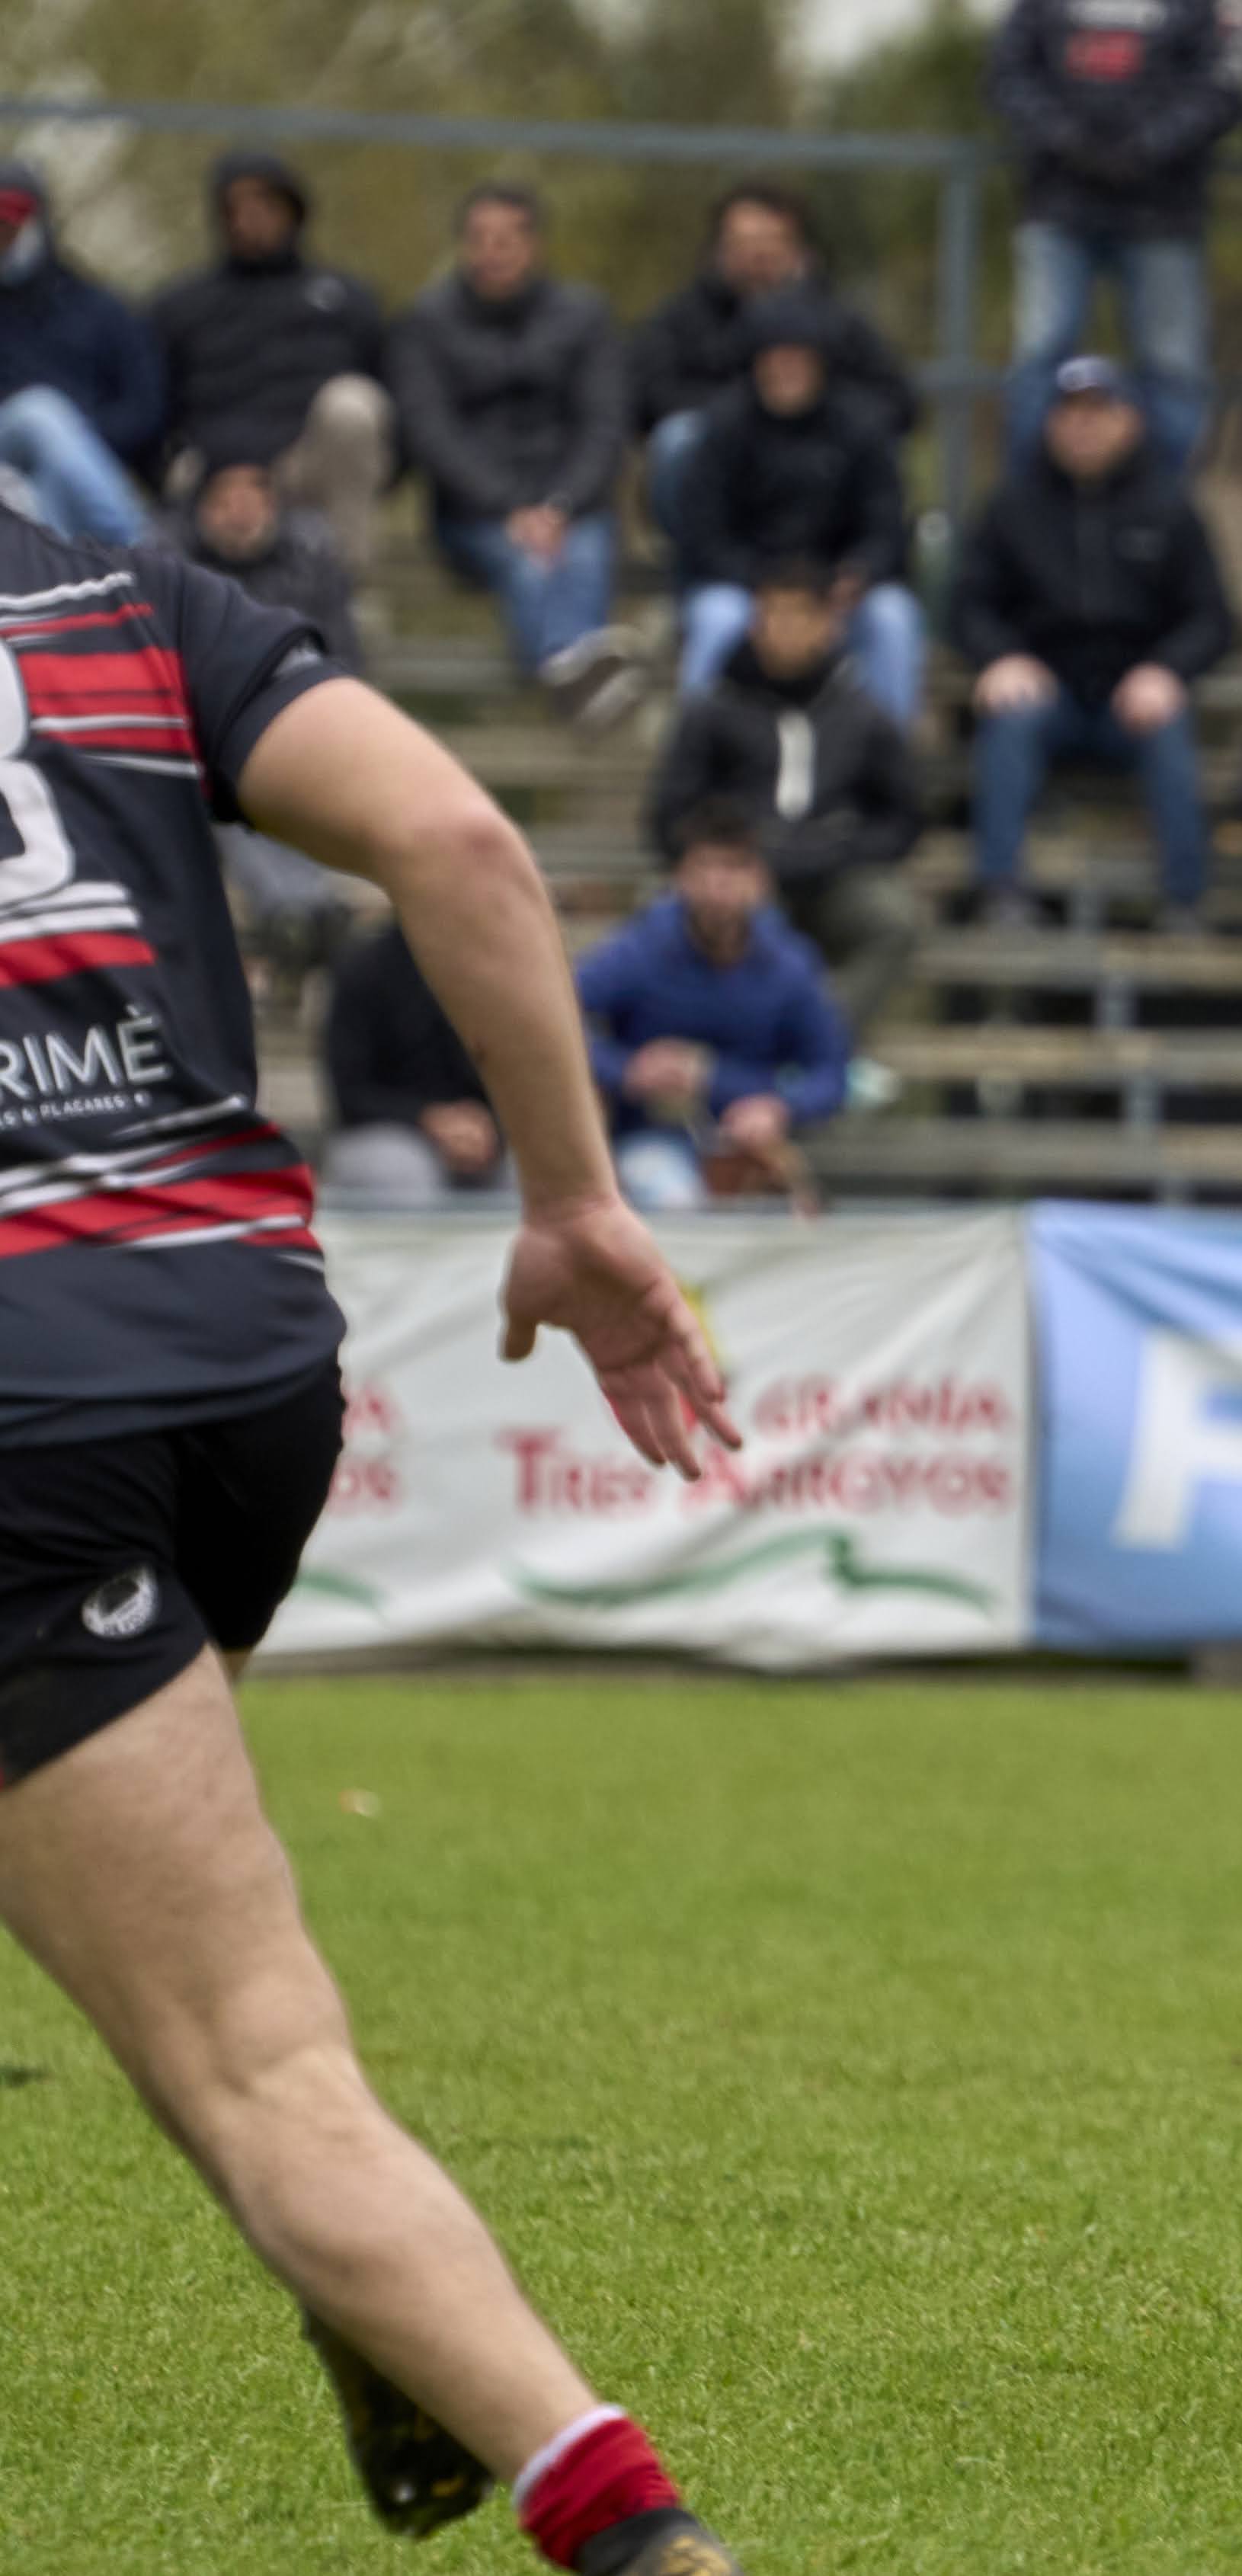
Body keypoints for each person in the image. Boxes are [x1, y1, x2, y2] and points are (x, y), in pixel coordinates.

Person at [0, 501, 741, 2572]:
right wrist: (579, 1199)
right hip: (245, 1358)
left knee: (245, 2048)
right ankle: (367, 2297)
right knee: (156, 1951)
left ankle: (621, 2516)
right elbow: (469, 847)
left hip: (24, 1402)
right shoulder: (114, 593)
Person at [956, 357, 1233, 933]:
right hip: (1045, 691)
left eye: (1098, 412)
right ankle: (999, 890)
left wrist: (1165, 670)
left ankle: (1185, 904)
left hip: (1132, 698)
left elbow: (1213, 619)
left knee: (1169, 723)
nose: (1082, 426)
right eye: (1070, 413)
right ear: (1049, 422)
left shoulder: (1171, 507)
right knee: (1008, 717)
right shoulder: (1011, 506)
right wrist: (1000, 657)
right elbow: (966, 606)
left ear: (1130, 421)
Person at [388, 185, 641, 725]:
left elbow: (604, 424)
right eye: (479, 239)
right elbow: (431, 434)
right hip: (474, 515)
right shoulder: (426, 324)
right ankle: (580, 673)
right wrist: (510, 506)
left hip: (576, 506)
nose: (492, 251)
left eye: (507, 239)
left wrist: (559, 503)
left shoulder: (586, 317)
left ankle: (565, 670)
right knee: (532, 567)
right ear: (462, 246)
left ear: (534, 245)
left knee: (582, 555)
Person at [645, 561, 925, 1034]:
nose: (786, 630)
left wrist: (843, 851)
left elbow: (904, 816)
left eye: (802, 617)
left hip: (836, 874)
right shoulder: (714, 709)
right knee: (677, 916)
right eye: (773, 616)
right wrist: (724, 861)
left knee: (894, 920)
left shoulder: (862, 713)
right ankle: (740, 1042)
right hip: (741, 876)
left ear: (829, 627)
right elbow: (668, 815)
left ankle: (815, 1035)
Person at [985, 0, 1242, 472]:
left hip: (1163, 211)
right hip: (1059, 207)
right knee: (1041, 360)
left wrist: (1149, 147)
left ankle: (1164, 527)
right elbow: (1008, 75)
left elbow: (1222, 86)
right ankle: (1025, 526)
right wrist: (1071, 143)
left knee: (1173, 372)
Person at [165, 440, 370, 992]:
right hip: (197, 746)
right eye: (226, 496)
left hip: (300, 729)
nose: (241, 507)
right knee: (232, 780)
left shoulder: (309, 561)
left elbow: (345, 660)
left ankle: (298, 915)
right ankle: (302, 908)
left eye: (255, 493)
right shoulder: (170, 571)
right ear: (202, 507)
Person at [576, 800, 852, 1211]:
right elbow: (556, 1019)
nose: (718, 883)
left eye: (735, 867)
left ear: (761, 880)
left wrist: (781, 1107)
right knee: (677, 1203)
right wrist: (626, 1069)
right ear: (680, 877)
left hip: (750, 1143)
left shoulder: (790, 964)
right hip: (651, 1139)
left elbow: (831, 1072)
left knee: (797, 1213)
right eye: (704, 867)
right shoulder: (641, 950)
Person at [670, 294, 923, 725]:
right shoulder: (722, 428)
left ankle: (888, 769)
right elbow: (703, 537)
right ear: (756, 363)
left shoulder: (862, 427)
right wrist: (766, 587)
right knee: (716, 618)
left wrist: (858, 573)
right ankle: (695, 762)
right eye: (775, 358)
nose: (786, 370)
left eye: (799, 359)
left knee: (893, 617)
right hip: (747, 589)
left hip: (839, 593)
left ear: (820, 364)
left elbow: (886, 524)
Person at [630, 181, 922, 553]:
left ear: (800, 250)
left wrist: (815, 410)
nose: (758, 255)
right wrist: (746, 413)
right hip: (721, 489)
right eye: (743, 242)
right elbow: (644, 398)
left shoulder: (839, 321)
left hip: (825, 500)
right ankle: (701, 570)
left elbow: (900, 402)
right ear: (718, 249)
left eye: (771, 240)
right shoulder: (683, 319)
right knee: (679, 438)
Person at [146, 151, 395, 587]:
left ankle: (347, 588)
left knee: (353, 405)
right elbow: (152, 408)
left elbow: (392, 400)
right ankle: (182, 604)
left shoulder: (346, 298)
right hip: (209, 470)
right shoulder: (180, 305)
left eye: (264, 204)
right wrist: (220, 470)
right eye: (237, 207)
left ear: (292, 210)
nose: (251, 218)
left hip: (303, 467)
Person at [0, 158, 162, 546]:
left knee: (48, 484)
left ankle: (60, 576)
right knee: (41, 413)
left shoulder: (100, 308)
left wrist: (74, 439)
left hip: (78, 473)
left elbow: (143, 410)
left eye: (11, 226)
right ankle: (139, 546)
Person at [320, 921, 506, 1209]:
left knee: (537, 1176)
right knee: (403, 1173)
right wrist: (430, 1120)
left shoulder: (495, 971)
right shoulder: (364, 968)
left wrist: (486, 1128)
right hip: (385, 1133)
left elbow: (521, 1084)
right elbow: (350, 1095)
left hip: (480, 1134)